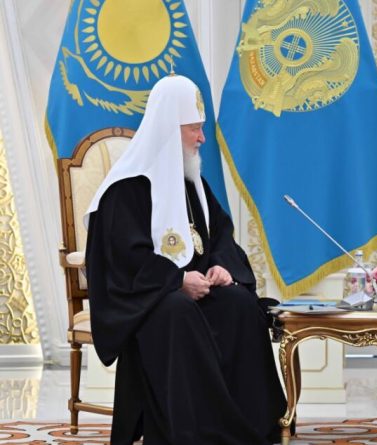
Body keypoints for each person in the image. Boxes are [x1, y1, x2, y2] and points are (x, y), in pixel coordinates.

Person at [85, 74, 287, 445]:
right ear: (169, 130)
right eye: (194, 128)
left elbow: (220, 236)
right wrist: (176, 281)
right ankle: (194, 432)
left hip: (196, 289)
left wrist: (222, 266)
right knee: (176, 310)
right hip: (150, 299)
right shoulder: (125, 189)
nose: (202, 138)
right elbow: (123, 261)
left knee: (239, 304)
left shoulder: (192, 183)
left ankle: (255, 426)